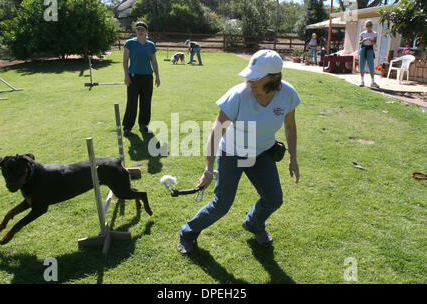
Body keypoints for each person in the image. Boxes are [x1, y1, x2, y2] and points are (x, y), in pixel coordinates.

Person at [178, 50, 301, 255]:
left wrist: (293, 158)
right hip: (231, 154)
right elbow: (217, 131)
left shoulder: (287, 95)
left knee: (273, 199)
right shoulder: (238, 95)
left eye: (255, 77)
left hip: (261, 154)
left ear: (274, 78)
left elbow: (290, 126)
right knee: (222, 205)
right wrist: (208, 168)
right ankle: (187, 233)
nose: (248, 80)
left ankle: (253, 223)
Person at [122, 21, 160, 137]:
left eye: (142, 29)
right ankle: (127, 127)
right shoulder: (130, 43)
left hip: (147, 77)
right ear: (136, 31)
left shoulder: (150, 45)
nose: (140, 31)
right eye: (138, 29)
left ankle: (143, 124)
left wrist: (157, 76)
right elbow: (125, 60)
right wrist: (126, 75)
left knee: (146, 102)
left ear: (146, 31)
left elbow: (154, 61)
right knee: (132, 102)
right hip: (133, 77)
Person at [359, 20, 379, 88]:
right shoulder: (362, 33)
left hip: (370, 49)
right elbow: (360, 42)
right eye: (367, 26)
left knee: (371, 65)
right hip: (363, 49)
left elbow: (374, 43)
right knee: (362, 65)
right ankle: (362, 81)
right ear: (365, 26)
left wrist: (371, 40)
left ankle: (372, 82)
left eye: (370, 26)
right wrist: (364, 40)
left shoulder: (374, 33)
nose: (368, 27)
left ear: (372, 26)